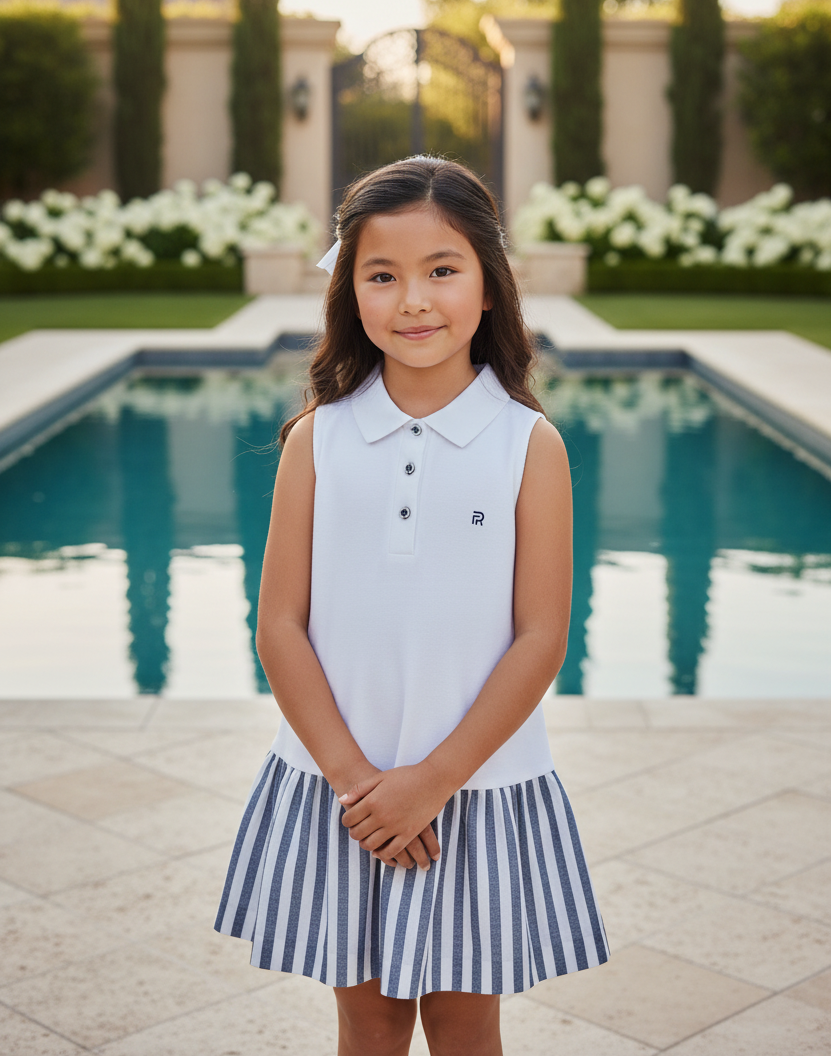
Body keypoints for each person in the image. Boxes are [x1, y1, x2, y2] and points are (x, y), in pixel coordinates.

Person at [214, 156, 609, 1057]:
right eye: (381, 275)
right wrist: (362, 785)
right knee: (369, 1018)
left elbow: (541, 637)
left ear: (487, 285)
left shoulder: (527, 444)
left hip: (476, 790)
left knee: (467, 1023)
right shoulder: (318, 438)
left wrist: (430, 782)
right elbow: (279, 624)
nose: (413, 299)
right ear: (349, 291)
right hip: (339, 787)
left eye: (442, 269)